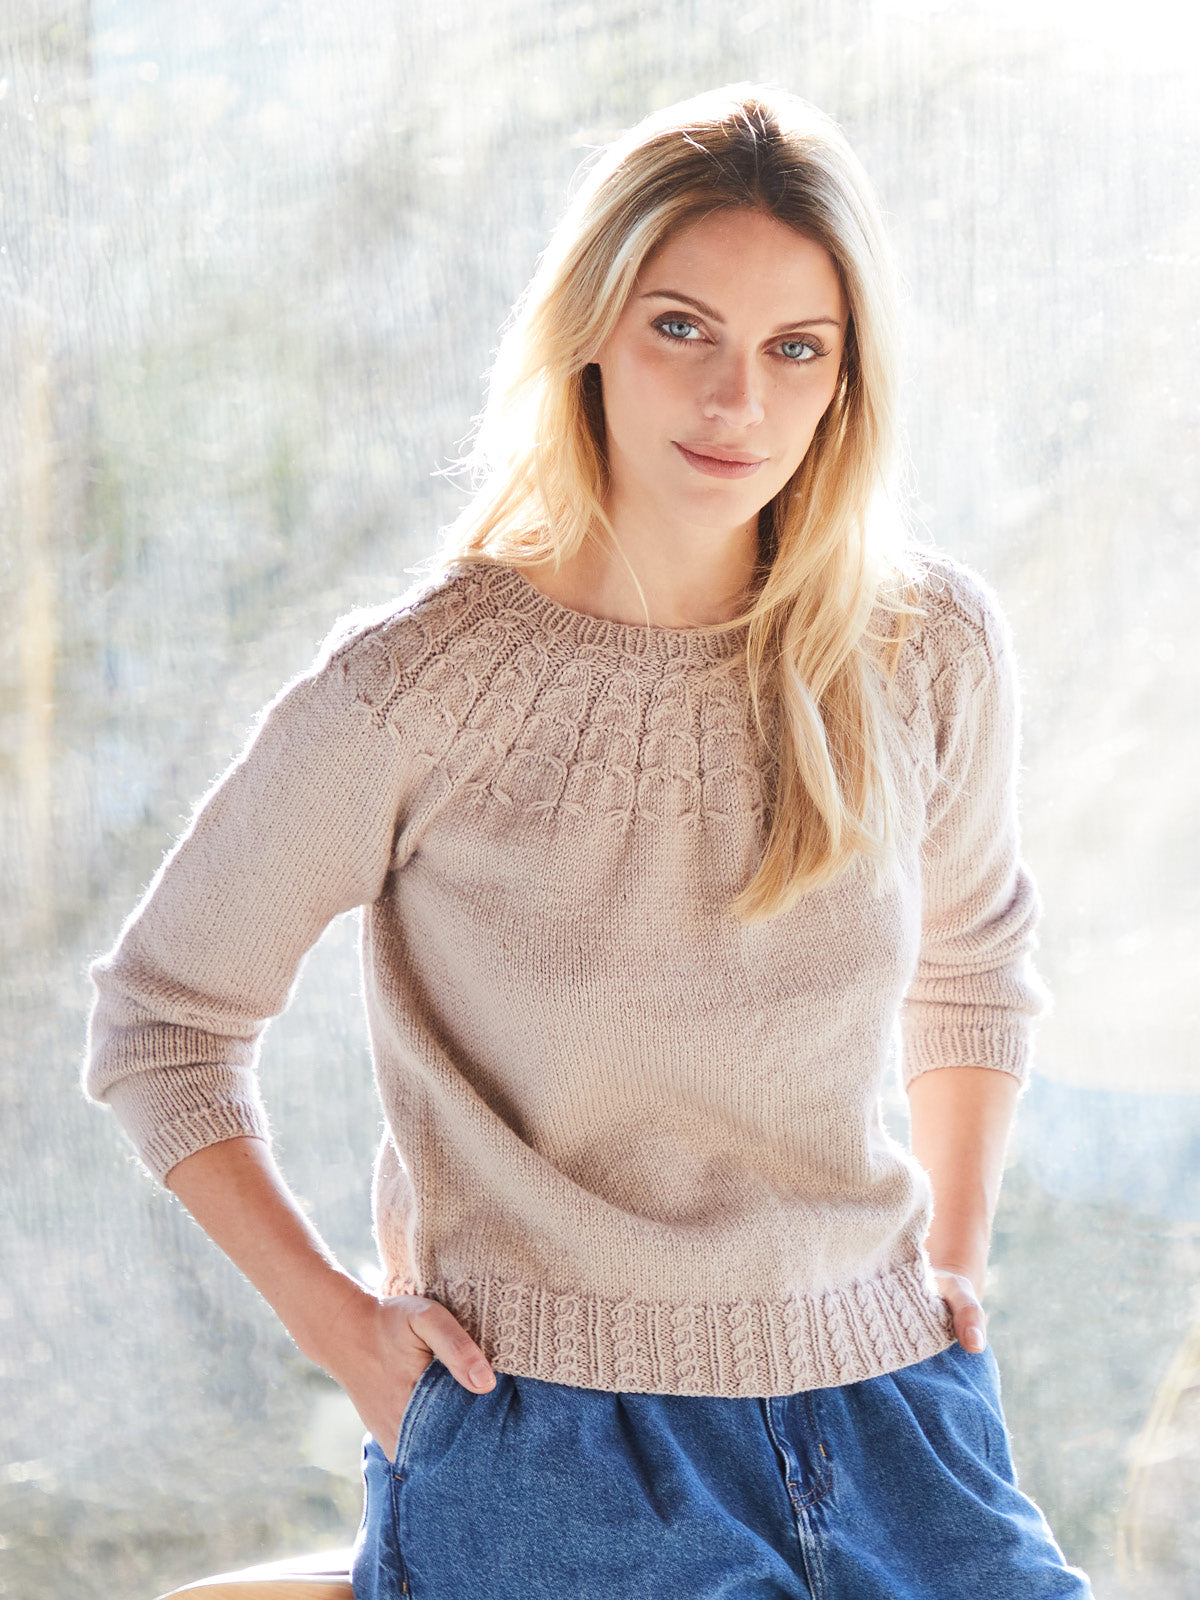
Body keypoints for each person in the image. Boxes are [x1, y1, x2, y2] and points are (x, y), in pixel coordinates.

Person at [85, 83, 1094, 1600]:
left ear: (846, 380)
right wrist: (346, 1335)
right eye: (683, 328)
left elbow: (975, 966)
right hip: (548, 1434)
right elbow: (162, 1025)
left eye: (796, 348)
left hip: (896, 1407)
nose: (736, 401)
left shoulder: (923, 647)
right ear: (590, 333)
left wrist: (952, 1256)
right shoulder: (421, 688)